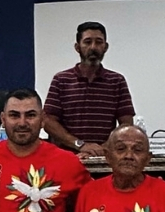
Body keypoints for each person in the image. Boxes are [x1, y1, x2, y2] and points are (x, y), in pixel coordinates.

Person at [43, 22, 136, 158]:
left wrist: (104, 148)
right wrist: (80, 145)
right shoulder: (61, 80)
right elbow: (48, 122)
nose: (93, 47)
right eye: (87, 42)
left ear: (106, 47)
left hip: (105, 159)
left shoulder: (117, 81)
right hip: (67, 159)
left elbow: (127, 124)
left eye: (99, 42)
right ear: (77, 47)